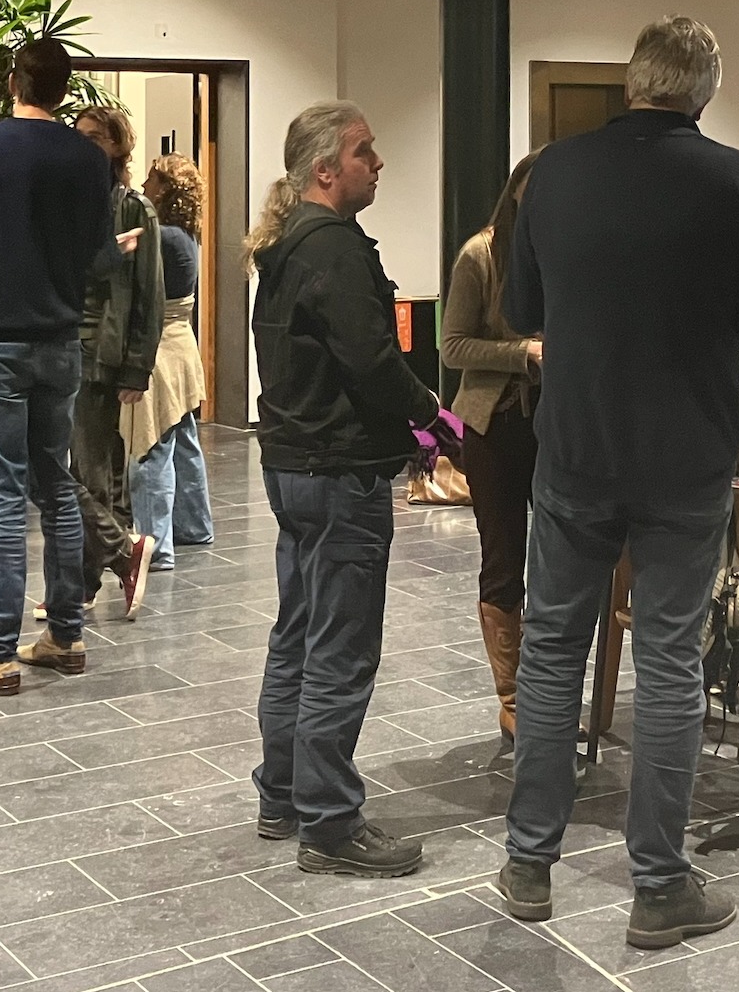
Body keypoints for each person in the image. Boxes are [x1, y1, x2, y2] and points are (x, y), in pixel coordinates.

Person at [496, 17, 739, 949]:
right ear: (704, 91)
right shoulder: (735, 179)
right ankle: (660, 886)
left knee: (553, 650)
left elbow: (523, 306)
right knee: (667, 659)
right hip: (685, 455)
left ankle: (528, 863)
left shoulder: (554, 171)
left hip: (575, 446)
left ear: (633, 83)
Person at [247, 101, 455, 878]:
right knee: (340, 643)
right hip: (337, 473)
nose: (379, 161)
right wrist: (430, 414)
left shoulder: (287, 243)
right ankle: (330, 821)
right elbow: (370, 359)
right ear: (326, 168)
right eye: (365, 150)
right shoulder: (332, 245)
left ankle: (282, 793)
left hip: (293, 465)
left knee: (298, 632)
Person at [0, 38, 122, 694]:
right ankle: (65, 634)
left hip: (1, 341)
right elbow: (101, 259)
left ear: (14, 82)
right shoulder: (89, 157)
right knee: (55, 485)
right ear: (65, 88)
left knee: (3, 495)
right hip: (63, 341)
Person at [441, 150, 544, 740]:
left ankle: (549, 686)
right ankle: (513, 697)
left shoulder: (566, 251)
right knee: (503, 560)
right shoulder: (480, 254)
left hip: (556, 422)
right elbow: (452, 345)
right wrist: (523, 353)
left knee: (559, 561)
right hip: (495, 424)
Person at [71, 105, 165, 615]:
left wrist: (136, 367)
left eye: (95, 137)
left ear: (116, 146)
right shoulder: (69, 198)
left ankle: (103, 567)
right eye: (79, 136)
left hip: (99, 353)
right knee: (91, 472)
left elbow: (149, 294)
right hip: (63, 346)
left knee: (83, 471)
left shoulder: (134, 208)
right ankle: (93, 577)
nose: (85, 145)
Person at [128, 153, 214, 572]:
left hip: (160, 348)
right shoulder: (185, 234)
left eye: (151, 179)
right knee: (183, 439)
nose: (144, 185)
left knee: (152, 448)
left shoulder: (160, 236)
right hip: (180, 345)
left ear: (165, 189)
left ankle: (155, 546)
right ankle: (194, 525)